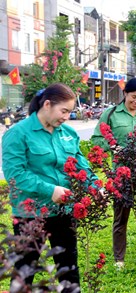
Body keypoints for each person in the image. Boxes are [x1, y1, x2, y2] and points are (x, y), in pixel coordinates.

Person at [2, 83, 96, 291]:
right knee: (25, 270)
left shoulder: (68, 133)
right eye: (64, 111)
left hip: (64, 211)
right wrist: (50, 190)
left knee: (68, 268)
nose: (67, 117)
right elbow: (15, 175)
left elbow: (82, 166)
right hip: (31, 214)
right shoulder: (18, 134)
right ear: (47, 104)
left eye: (70, 112)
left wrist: (96, 187)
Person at [91, 77, 136, 269]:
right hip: (121, 174)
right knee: (121, 216)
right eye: (134, 97)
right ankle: (119, 260)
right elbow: (97, 138)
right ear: (125, 93)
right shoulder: (111, 114)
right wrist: (112, 146)